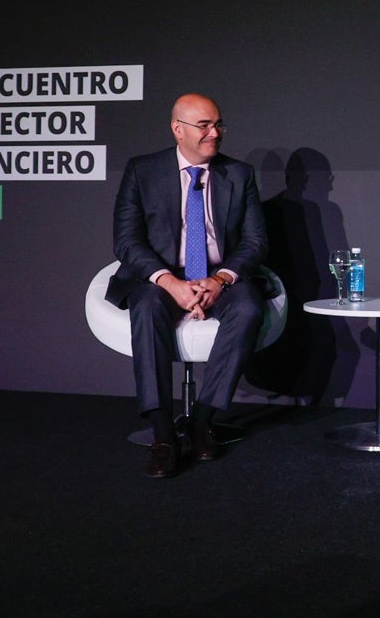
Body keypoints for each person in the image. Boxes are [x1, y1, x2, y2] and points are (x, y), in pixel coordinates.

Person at [106, 93, 269, 478]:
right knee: (145, 307)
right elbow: (127, 240)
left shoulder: (239, 175)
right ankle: (164, 434)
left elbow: (255, 242)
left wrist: (220, 279)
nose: (215, 133)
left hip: (220, 274)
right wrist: (171, 283)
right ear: (178, 129)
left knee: (248, 307)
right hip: (162, 276)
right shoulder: (142, 171)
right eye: (205, 126)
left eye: (218, 125)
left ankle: (202, 420)